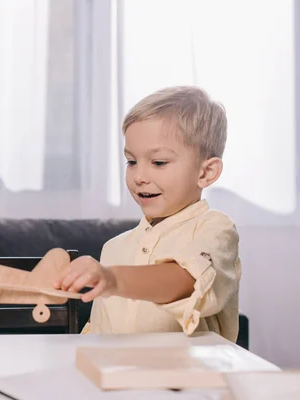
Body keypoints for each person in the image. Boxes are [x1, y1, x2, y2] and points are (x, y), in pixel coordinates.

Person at [54, 86, 241, 341]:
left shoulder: (215, 229)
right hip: (119, 377)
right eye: (131, 162)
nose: (139, 177)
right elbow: (99, 334)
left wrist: (113, 279)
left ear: (206, 172)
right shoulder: (113, 249)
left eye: (159, 162)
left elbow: (187, 280)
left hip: (191, 378)